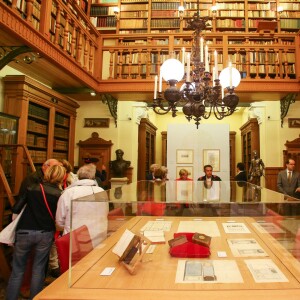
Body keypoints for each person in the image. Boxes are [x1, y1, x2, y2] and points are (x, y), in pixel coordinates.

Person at [6, 165, 66, 300]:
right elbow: (59, 217)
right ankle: (36, 298)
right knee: (38, 269)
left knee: (17, 270)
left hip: (24, 231)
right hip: (45, 233)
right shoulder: (59, 194)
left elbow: (16, 209)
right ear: (61, 177)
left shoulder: (31, 188)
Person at [56, 164, 109, 248]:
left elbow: (59, 221)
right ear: (93, 177)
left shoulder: (69, 193)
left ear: (78, 177)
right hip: (98, 237)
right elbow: (105, 213)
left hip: (75, 240)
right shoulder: (101, 191)